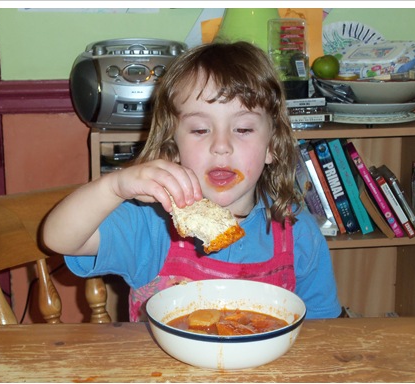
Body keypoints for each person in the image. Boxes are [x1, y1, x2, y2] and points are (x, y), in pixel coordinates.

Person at [43, 41, 342, 321]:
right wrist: (114, 186)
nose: (221, 145)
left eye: (243, 129)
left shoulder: (298, 231)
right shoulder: (151, 226)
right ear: (173, 148)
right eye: (200, 130)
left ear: (272, 146)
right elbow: (58, 238)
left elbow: (321, 326)